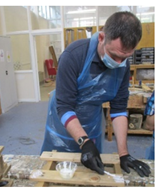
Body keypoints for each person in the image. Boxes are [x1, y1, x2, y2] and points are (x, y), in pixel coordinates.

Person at [42, 12, 150, 177]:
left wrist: (124, 154)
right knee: (58, 173)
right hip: (63, 122)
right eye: (114, 56)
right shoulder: (74, 55)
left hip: (92, 121)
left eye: (125, 57)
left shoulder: (122, 64)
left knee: (90, 173)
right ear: (101, 38)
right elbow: (64, 107)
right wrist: (83, 142)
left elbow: (119, 110)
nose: (119, 64)